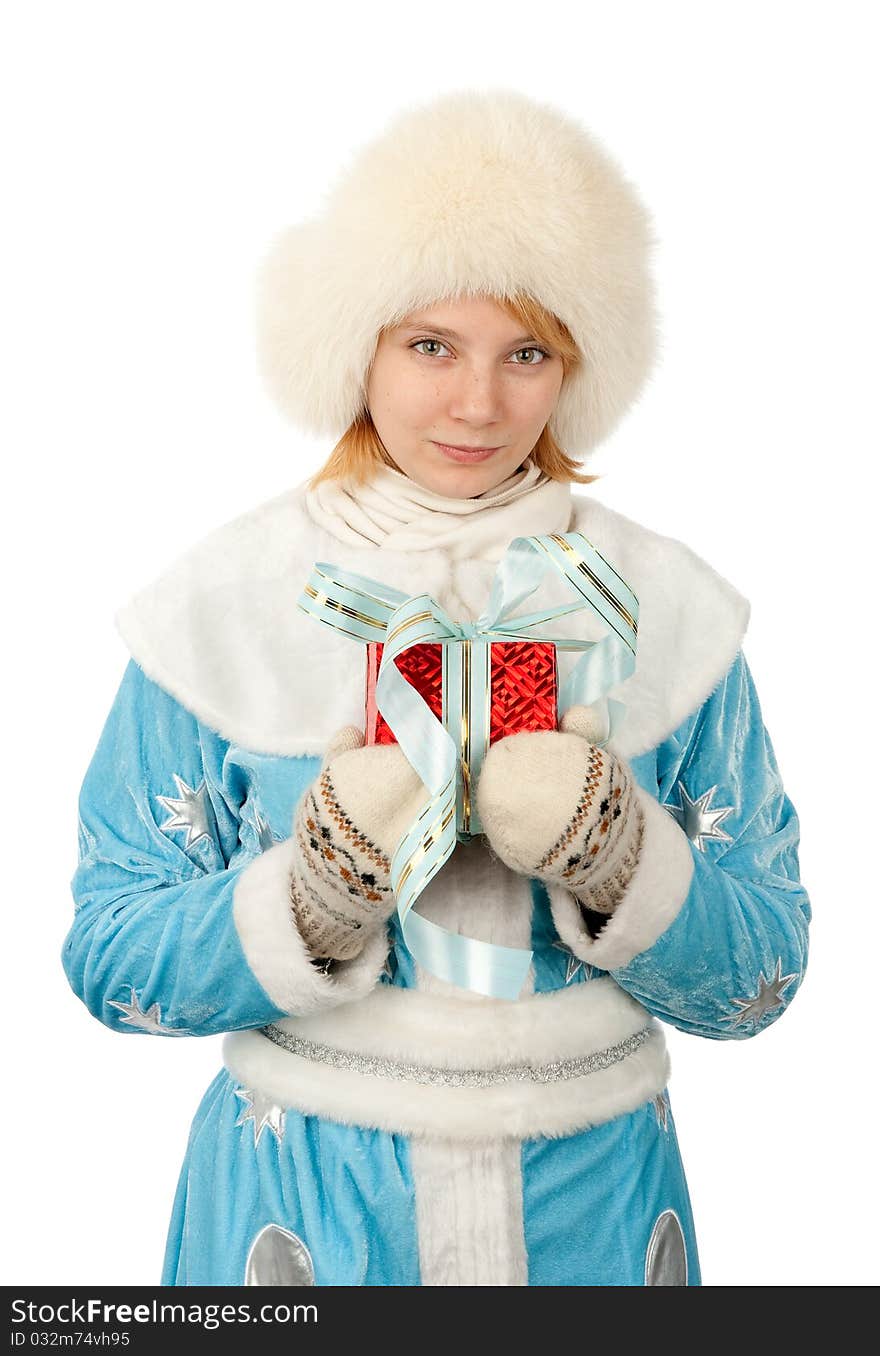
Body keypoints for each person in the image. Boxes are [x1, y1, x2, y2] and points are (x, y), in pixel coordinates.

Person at [63, 88, 810, 1287]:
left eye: (527, 354)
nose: (477, 404)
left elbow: (760, 978)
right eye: (430, 346)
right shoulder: (226, 606)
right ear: (351, 346)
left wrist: (619, 853)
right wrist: (311, 889)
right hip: (308, 1202)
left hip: (596, 1208)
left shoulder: (658, 609)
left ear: (577, 368)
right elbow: (111, 962)